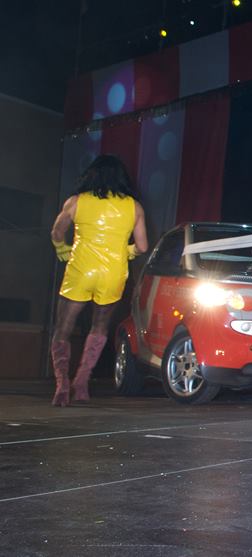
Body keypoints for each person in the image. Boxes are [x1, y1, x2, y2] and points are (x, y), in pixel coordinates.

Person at [48, 155, 148, 406]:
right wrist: (128, 251)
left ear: (91, 176)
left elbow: (57, 231)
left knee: (63, 328)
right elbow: (143, 246)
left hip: (81, 270)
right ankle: (81, 383)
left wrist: (61, 247)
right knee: (99, 327)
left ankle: (61, 385)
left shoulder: (76, 201)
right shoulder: (134, 207)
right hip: (113, 273)